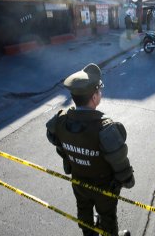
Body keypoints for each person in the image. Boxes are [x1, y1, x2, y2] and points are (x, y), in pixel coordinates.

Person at [46, 63, 134, 236]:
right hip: (104, 187)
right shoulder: (106, 128)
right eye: (99, 92)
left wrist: (72, 158)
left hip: (79, 182)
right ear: (94, 97)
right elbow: (119, 162)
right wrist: (128, 180)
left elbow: (56, 142)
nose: (100, 94)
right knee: (108, 219)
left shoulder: (60, 122)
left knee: (84, 215)